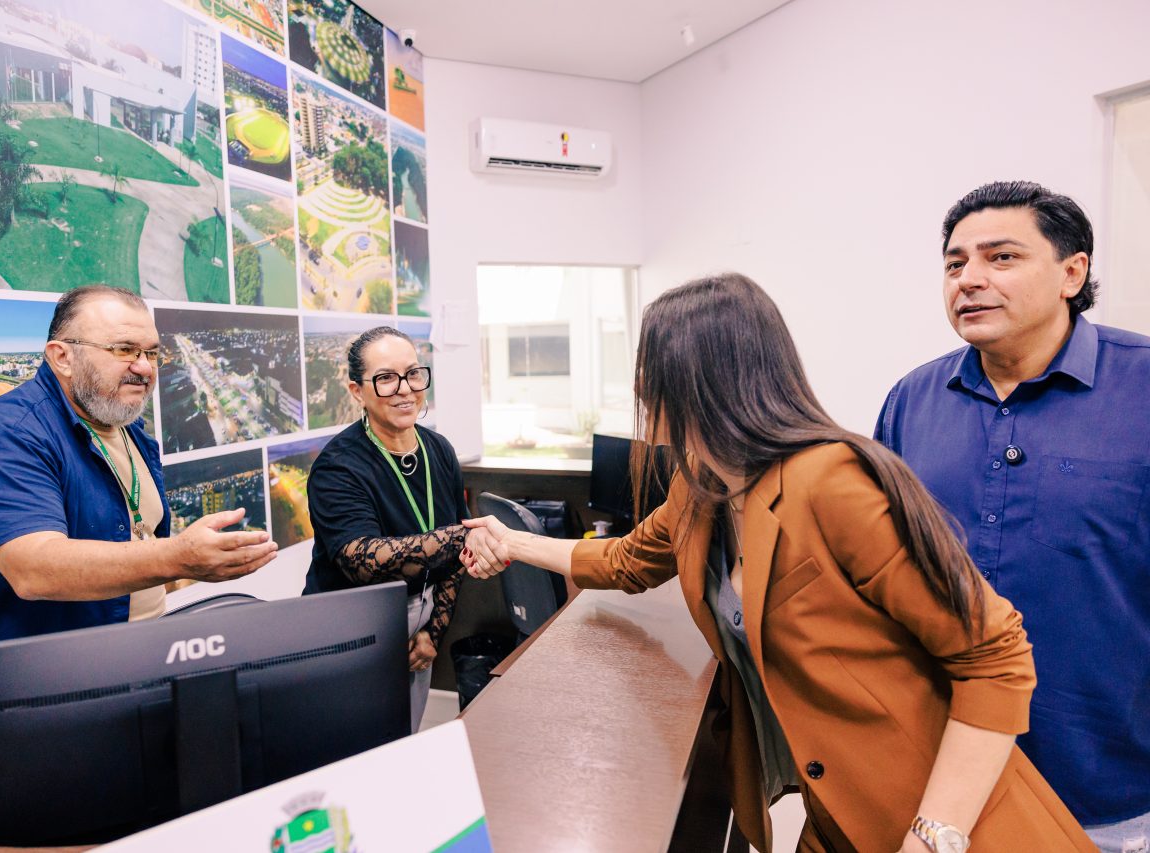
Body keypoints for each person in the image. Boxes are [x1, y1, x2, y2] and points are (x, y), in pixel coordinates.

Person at [462, 274, 1094, 853]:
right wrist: (513, 542)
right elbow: (628, 560)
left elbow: (995, 657)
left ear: (704, 378)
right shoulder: (700, 483)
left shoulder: (832, 481)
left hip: (934, 815)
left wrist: (933, 837)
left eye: (651, 369)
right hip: (833, 809)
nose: (639, 389)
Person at [875, 181, 1150, 852]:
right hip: (939, 782)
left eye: (1001, 257)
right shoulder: (912, 401)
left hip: (1107, 793)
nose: (969, 279)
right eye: (955, 263)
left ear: (1071, 273)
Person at [0, 285, 277, 717]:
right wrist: (179, 558)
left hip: (127, 668)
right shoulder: (1, 435)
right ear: (62, 357)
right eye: (124, 349)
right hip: (31, 697)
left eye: (152, 353)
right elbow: (33, 569)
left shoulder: (128, 430)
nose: (144, 367)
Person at [304, 326, 472, 732]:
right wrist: (460, 537)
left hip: (421, 615)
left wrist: (433, 631)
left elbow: (455, 558)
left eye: (413, 373)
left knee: (404, 737)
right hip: (350, 625)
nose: (405, 389)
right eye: (385, 378)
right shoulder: (338, 466)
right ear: (357, 391)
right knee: (350, 743)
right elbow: (363, 561)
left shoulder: (438, 450)